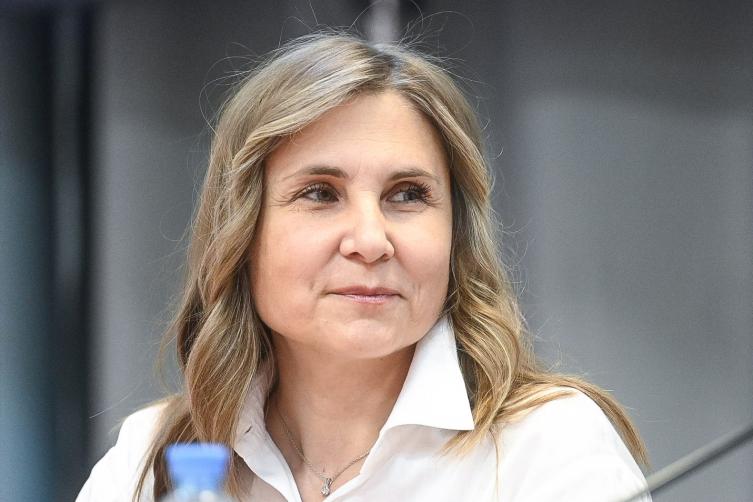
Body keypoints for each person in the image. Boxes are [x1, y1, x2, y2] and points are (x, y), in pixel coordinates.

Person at [77, 30, 651, 502]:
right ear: (240, 232)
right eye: (320, 193)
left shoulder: (550, 444)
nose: (371, 241)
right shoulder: (152, 457)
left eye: (408, 195)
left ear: (457, 235)